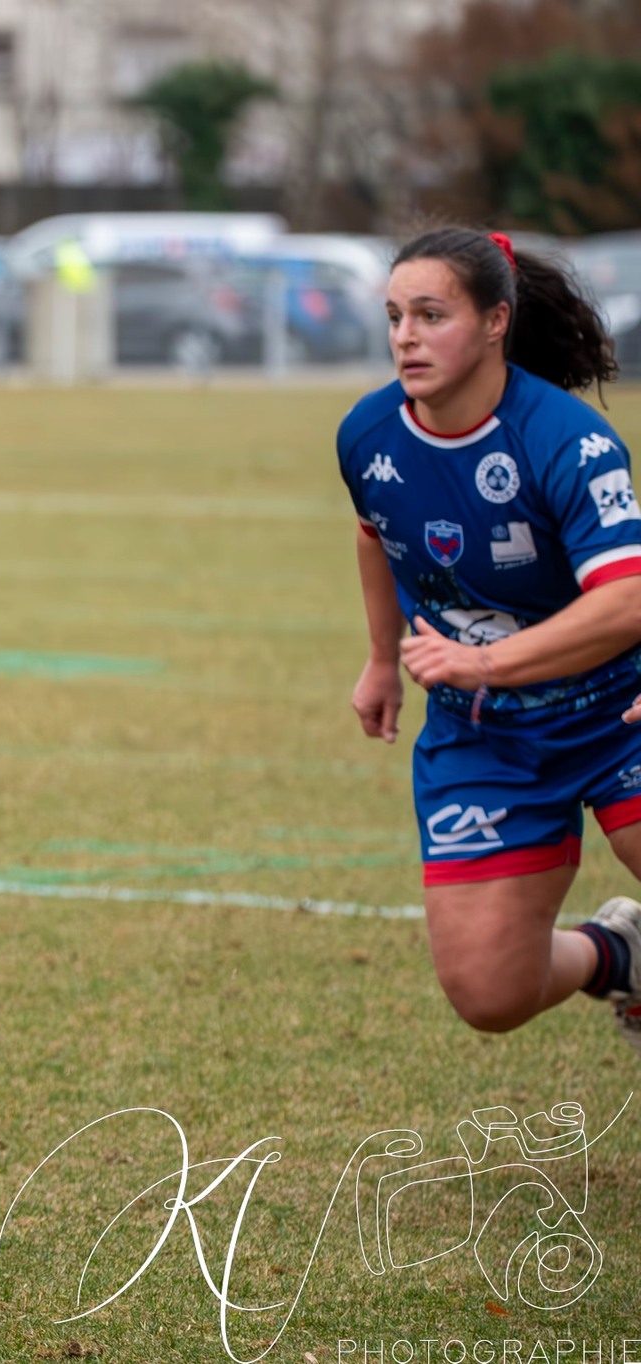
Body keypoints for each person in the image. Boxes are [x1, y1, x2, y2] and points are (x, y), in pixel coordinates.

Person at [341, 227, 641, 1067]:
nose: (405, 336)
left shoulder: (566, 442)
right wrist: (379, 657)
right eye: (396, 315)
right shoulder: (368, 435)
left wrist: (482, 661)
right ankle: (623, 956)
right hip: (486, 735)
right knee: (491, 992)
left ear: (496, 321)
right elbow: (375, 532)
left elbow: (627, 600)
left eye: (431, 314)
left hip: (617, 707)